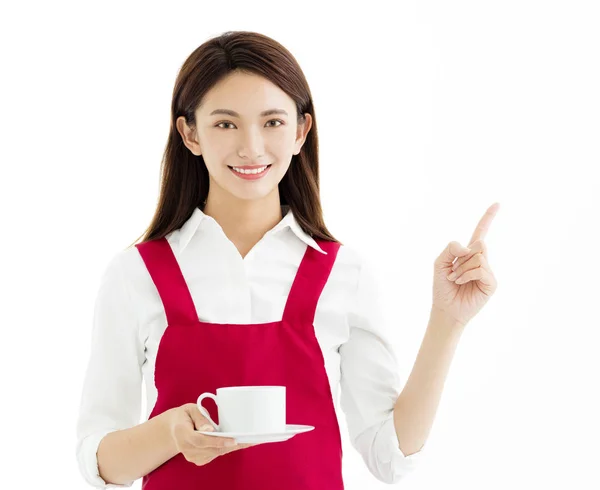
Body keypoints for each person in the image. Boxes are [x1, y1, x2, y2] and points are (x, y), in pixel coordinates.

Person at [75, 30, 422, 489]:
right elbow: (101, 463)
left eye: (272, 122)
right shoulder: (136, 274)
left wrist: (448, 322)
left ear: (301, 131)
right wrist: (169, 434)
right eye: (225, 124)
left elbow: (389, 458)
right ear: (190, 133)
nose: (252, 147)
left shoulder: (343, 273)